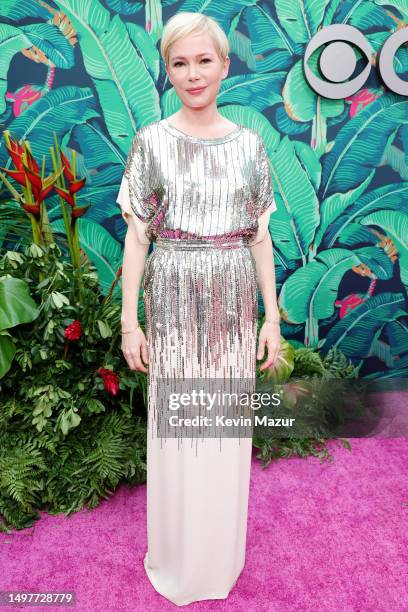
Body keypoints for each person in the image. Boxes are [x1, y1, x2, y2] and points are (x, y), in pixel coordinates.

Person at [116, 11, 281, 607]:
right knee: (177, 432)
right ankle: (178, 556)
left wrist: (273, 319)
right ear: (168, 71)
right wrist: (130, 322)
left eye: (203, 60)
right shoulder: (151, 142)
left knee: (222, 432)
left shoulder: (252, 147)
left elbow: (258, 237)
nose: (193, 74)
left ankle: (218, 557)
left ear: (224, 65)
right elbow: (138, 238)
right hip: (174, 296)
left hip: (233, 303)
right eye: (179, 63)